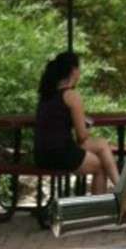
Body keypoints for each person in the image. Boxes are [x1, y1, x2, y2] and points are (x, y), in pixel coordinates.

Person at [33, 51, 119, 193]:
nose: (80, 73)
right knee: (100, 166)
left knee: (102, 144)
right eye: (79, 69)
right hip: (60, 154)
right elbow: (82, 137)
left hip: (41, 154)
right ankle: (109, 202)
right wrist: (86, 126)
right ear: (73, 71)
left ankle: (120, 187)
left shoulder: (47, 94)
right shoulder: (71, 95)